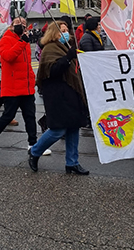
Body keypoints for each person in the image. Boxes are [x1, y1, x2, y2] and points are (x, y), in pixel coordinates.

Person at [28, 21, 89, 175]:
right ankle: (35, 152)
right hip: (57, 94)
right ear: (54, 33)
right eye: (62, 30)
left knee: (73, 127)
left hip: (71, 92)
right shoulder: (49, 48)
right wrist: (68, 58)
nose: (66, 32)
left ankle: (72, 162)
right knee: (57, 129)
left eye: (67, 30)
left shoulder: (66, 47)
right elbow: (52, 70)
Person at [0, 17, 39, 156]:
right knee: (8, 116)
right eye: (18, 24)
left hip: (26, 86)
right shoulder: (6, 40)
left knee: (30, 116)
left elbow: (26, 64)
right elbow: (8, 57)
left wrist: (32, 78)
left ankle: (33, 145)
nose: (22, 26)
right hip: (13, 86)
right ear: (11, 26)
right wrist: (21, 43)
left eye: (24, 24)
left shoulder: (24, 41)